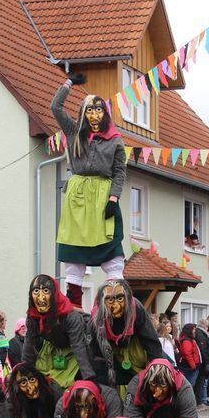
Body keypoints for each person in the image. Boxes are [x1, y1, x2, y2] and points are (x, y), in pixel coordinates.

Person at [51, 75, 127, 307]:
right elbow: (56, 107)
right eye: (89, 110)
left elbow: (119, 172)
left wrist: (113, 198)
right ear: (84, 113)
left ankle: (115, 305)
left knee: (111, 248)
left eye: (98, 110)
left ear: (105, 113)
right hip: (78, 196)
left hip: (103, 196)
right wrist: (68, 83)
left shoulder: (115, 141)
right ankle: (74, 309)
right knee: (74, 250)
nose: (94, 115)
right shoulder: (74, 132)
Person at [22, 275, 96, 390]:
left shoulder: (71, 317)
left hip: (74, 351)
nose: (41, 298)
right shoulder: (33, 317)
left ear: (54, 293)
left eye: (46, 291)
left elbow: (79, 347)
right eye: (36, 291)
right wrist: (23, 374)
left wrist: (89, 379)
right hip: (51, 351)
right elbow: (29, 347)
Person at [90, 279, 163, 388]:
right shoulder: (96, 317)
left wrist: (157, 369)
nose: (116, 306)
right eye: (110, 300)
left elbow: (151, 341)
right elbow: (95, 350)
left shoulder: (136, 309)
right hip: (110, 355)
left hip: (136, 352)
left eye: (120, 298)